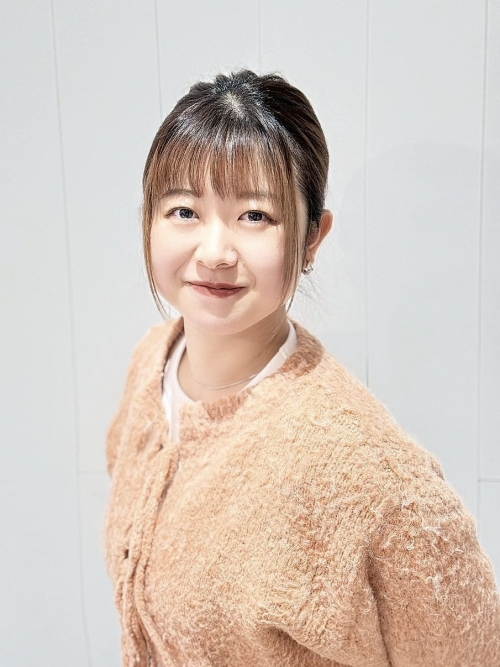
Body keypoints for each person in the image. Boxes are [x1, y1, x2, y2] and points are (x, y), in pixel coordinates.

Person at [104, 70, 500, 667]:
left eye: (255, 216)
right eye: (184, 210)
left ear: (313, 237)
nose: (214, 252)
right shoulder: (151, 363)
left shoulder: (373, 476)